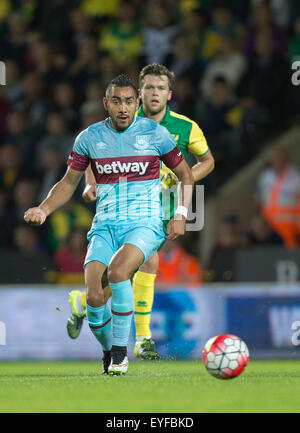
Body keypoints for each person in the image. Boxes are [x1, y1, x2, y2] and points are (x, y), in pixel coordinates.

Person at [24, 74, 194, 375]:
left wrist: (181, 213)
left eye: (129, 101)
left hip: (145, 223)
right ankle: (107, 352)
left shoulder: (155, 134)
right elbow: (67, 183)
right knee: (94, 296)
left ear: (137, 103)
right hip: (105, 225)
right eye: (116, 101)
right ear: (106, 104)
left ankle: (120, 354)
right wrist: (44, 208)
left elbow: (186, 174)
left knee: (118, 272)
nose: (123, 107)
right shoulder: (89, 138)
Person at [67, 64, 214, 361]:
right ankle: (133, 332)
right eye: (148, 87)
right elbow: (98, 154)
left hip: (163, 207)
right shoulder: (125, 119)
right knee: (127, 271)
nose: (154, 93)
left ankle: (91, 307)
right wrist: (90, 182)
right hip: (122, 207)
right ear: (139, 93)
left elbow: (207, 161)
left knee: (132, 269)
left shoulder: (186, 127)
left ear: (169, 94)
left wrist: (183, 180)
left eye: (160, 88)